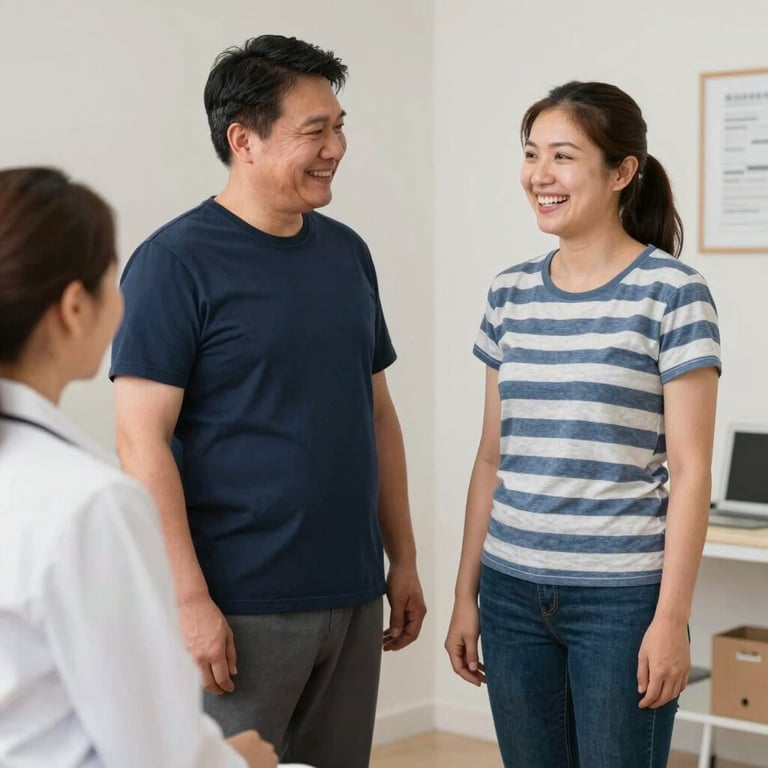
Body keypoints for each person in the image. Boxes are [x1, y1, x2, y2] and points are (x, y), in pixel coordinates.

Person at [109, 34, 425, 768]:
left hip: (350, 591)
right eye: (314, 130)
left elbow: (376, 412)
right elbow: (139, 443)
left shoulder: (347, 253)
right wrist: (190, 603)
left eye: (339, 125)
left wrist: (401, 557)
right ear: (242, 139)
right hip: (238, 604)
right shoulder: (172, 263)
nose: (336, 147)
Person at [444, 81, 721, 767]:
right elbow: (490, 458)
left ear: (622, 171)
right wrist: (465, 594)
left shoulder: (672, 292)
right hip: (509, 594)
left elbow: (690, 473)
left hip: (621, 603)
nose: (540, 175)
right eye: (532, 154)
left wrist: (669, 620)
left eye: (563, 156)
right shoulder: (508, 293)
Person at [0, 167, 278, 767]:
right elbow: (159, 756)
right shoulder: (88, 502)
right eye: (110, 276)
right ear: (75, 307)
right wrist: (247, 761)